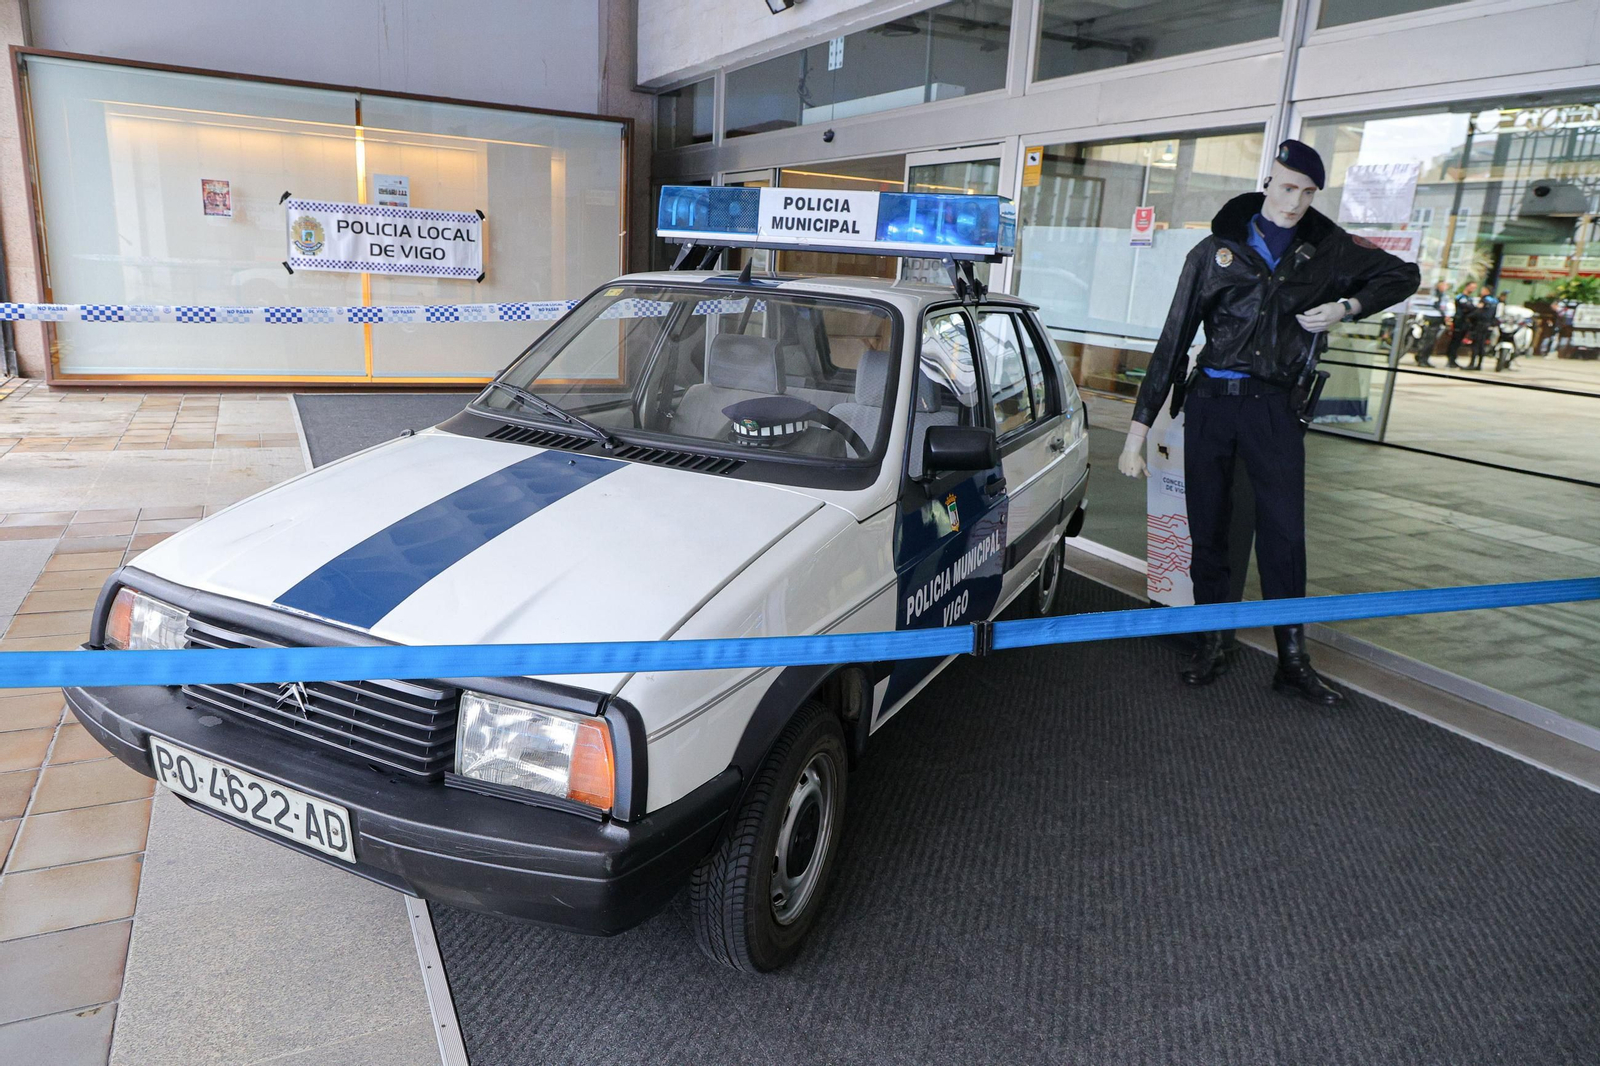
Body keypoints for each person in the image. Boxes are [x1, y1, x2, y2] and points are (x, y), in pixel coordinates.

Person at [1116, 139, 1420, 706]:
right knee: (1207, 529)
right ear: (1267, 183)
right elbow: (1173, 341)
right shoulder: (1215, 252)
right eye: (1286, 188)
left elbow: (1404, 274)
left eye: (1307, 192)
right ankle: (1212, 643)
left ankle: (1293, 659)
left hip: (1275, 410)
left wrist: (1347, 308)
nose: (1295, 202)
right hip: (1210, 404)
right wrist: (1136, 434)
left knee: (1284, 537)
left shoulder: (1328, 251)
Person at [1444, 280, 1480, 368]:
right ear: (1467, 286)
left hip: (1465, 323)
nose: (1473, 289)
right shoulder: (1461, 297)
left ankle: (1453, 359)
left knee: (1458, 342)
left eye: (1474, 288)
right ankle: (1451, 359)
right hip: (1459, 322)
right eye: (1472, 287)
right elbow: (1469, 307)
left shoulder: (1470, 298)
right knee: (1455, 341)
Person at [1416, 280, 1452, 366]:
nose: (1445, 287)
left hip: (1438, 319)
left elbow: (1446, 307)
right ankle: (1422, 358)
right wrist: (1443, 314)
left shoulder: (1444, 296)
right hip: (1431, 318)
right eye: (1443, 285)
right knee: (1428, 340)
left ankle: (1425, 358)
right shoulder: (1434, 295)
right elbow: (1435, 305)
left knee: (1432, 341)